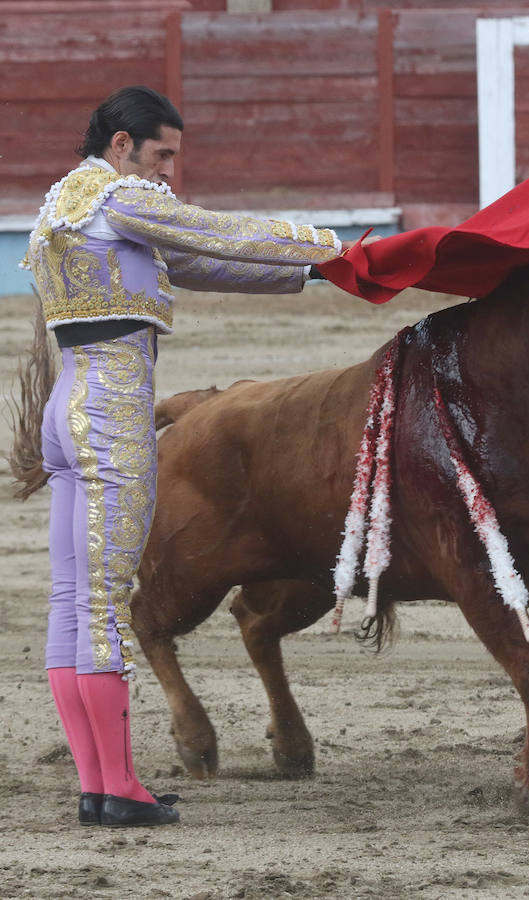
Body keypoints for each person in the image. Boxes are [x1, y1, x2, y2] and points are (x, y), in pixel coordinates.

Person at [20, 85, 362, 828]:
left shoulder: (69, 204)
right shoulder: (122, 196)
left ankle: (99, 787)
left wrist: (312, 273)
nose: (169, 170)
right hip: (111, 409)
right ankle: (120, 790)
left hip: (65, 409)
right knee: (103, 606)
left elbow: (199, 262)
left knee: (74, 602)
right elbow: (218, 233)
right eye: (161, 153)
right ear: (121, 145)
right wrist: (340, 247)